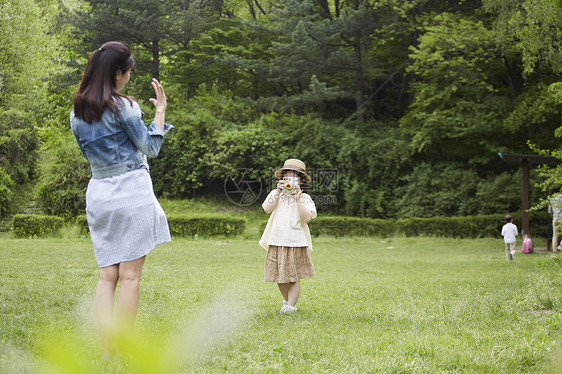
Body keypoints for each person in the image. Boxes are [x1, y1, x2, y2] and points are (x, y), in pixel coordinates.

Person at [70, 41, 173, 358]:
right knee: (130, 278)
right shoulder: (124, 107)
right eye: (128, 72)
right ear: (117, 74)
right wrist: (160, 111)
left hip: (99, 194)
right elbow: (150, 149)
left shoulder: (77, 111)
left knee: (107, 277)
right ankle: (122, 348)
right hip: (130, 192)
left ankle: (106, 350)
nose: (129, 77)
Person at [259, 159, 317, 314]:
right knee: (280, 276)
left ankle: (291, 307)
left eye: (294, 177)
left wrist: (297, 199)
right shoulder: (275, 194)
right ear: (282, 179)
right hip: (276, 239)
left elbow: (307, 218)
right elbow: (267, 209)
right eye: (287, 176)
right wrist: (278, 192)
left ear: (301, 181)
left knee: (293, 276)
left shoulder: (304, 198)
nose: (289, 180)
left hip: (296, 242)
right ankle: (287, 302)